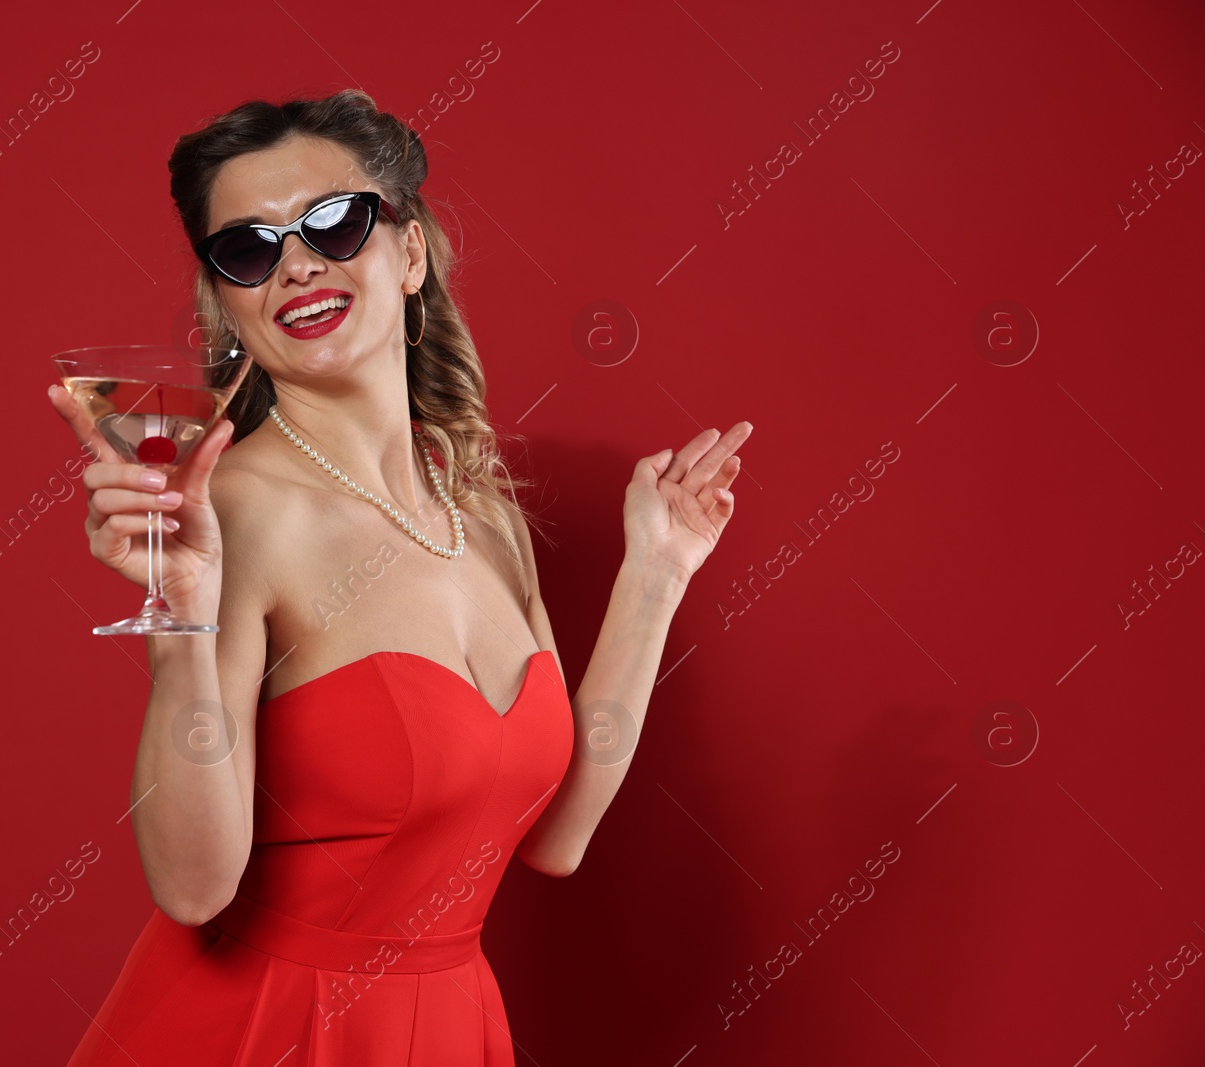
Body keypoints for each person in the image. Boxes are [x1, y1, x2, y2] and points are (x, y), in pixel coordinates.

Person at [48, 88, 751, 1065]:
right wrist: (180, 613)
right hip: (258, 1032)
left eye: (333, 224)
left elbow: (555, 836)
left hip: (447, 1028)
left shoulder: (480, 507)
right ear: (227, 301)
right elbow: (193, 888)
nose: (296, 262)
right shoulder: (234, 513)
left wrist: (656, 573)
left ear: (410, 253)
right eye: (249, 248)